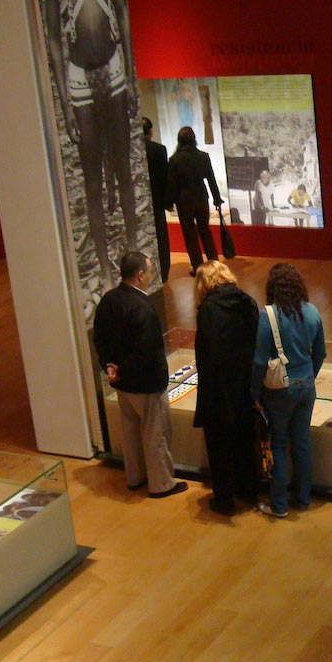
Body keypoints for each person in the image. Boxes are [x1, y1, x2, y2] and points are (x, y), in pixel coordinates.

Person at [39, 0, 139, 285]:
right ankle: (106, 270)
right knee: (93, 182)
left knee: (123, 169)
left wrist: (132, 79)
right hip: (79, 78)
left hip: (114, 68)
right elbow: (55, 40)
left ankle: (134, 247)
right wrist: (66, 104)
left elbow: (122, 14)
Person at [93, 252, 186, 498]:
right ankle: (161, 484)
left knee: (131, 433)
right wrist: (120, 368)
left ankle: (135, 478)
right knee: (155, 434)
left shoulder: (109, 300)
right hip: (146, 383)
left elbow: (100, 339)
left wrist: (110, 367)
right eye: (150, 270)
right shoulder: (142, 308)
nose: (152, 274)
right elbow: (146, 351)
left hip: (122, 384)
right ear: (140, 276)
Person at [251, 263, 325, 518]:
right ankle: (303, 498)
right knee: (302, 442)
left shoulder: (268, 316)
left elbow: (260, 360)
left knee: (279, 445)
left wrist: (255, 393)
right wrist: (309, 376)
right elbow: (320, 352)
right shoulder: (313, 311)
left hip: (278, 389)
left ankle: (279, 505)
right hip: (306, 383)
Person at [192, 260, 260, 515]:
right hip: (245, 385)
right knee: (244, 440)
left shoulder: (208, 309)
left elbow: (207, 354)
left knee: (219, 447)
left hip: (219, 390)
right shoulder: (247, 301)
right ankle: (249, 490)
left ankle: (225, 501)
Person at [167, 126, 223, 276]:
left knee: (189, 234)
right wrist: (217, 199)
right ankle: (214, 263)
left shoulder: (175, 159)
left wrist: (169, 202)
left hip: (184, 199)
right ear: (194, 139)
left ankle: (198, 267)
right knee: (205, 230)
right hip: (201, 196)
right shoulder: (203, 156)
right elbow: (211, 179)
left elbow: (172, 183)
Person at [142, 117, 172, 282]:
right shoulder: (159, 150)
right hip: (157, 200)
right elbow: (165, 176)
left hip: (140, 202)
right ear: (151, 131)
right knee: (161, 238)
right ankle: (164, 271)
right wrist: (168, 201)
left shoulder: (131, 150)